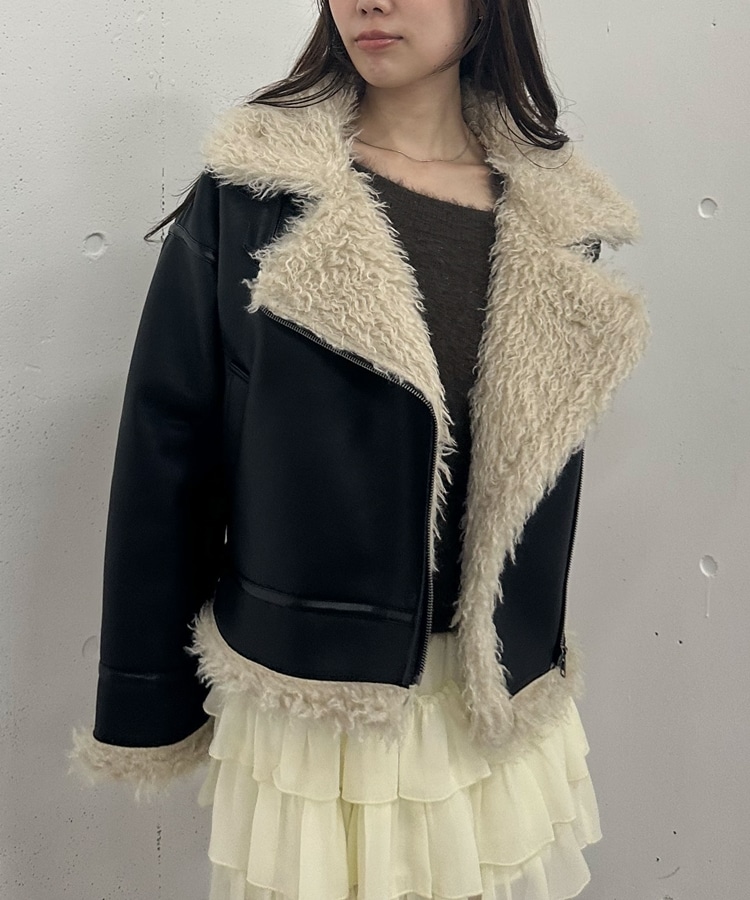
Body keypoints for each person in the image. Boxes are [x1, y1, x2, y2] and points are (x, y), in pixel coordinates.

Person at [71, 1, 651, 898]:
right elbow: (166, 454)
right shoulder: (255, 198)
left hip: (490, 709)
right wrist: (144, 699)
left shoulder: (552, 220)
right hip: (316, 715)